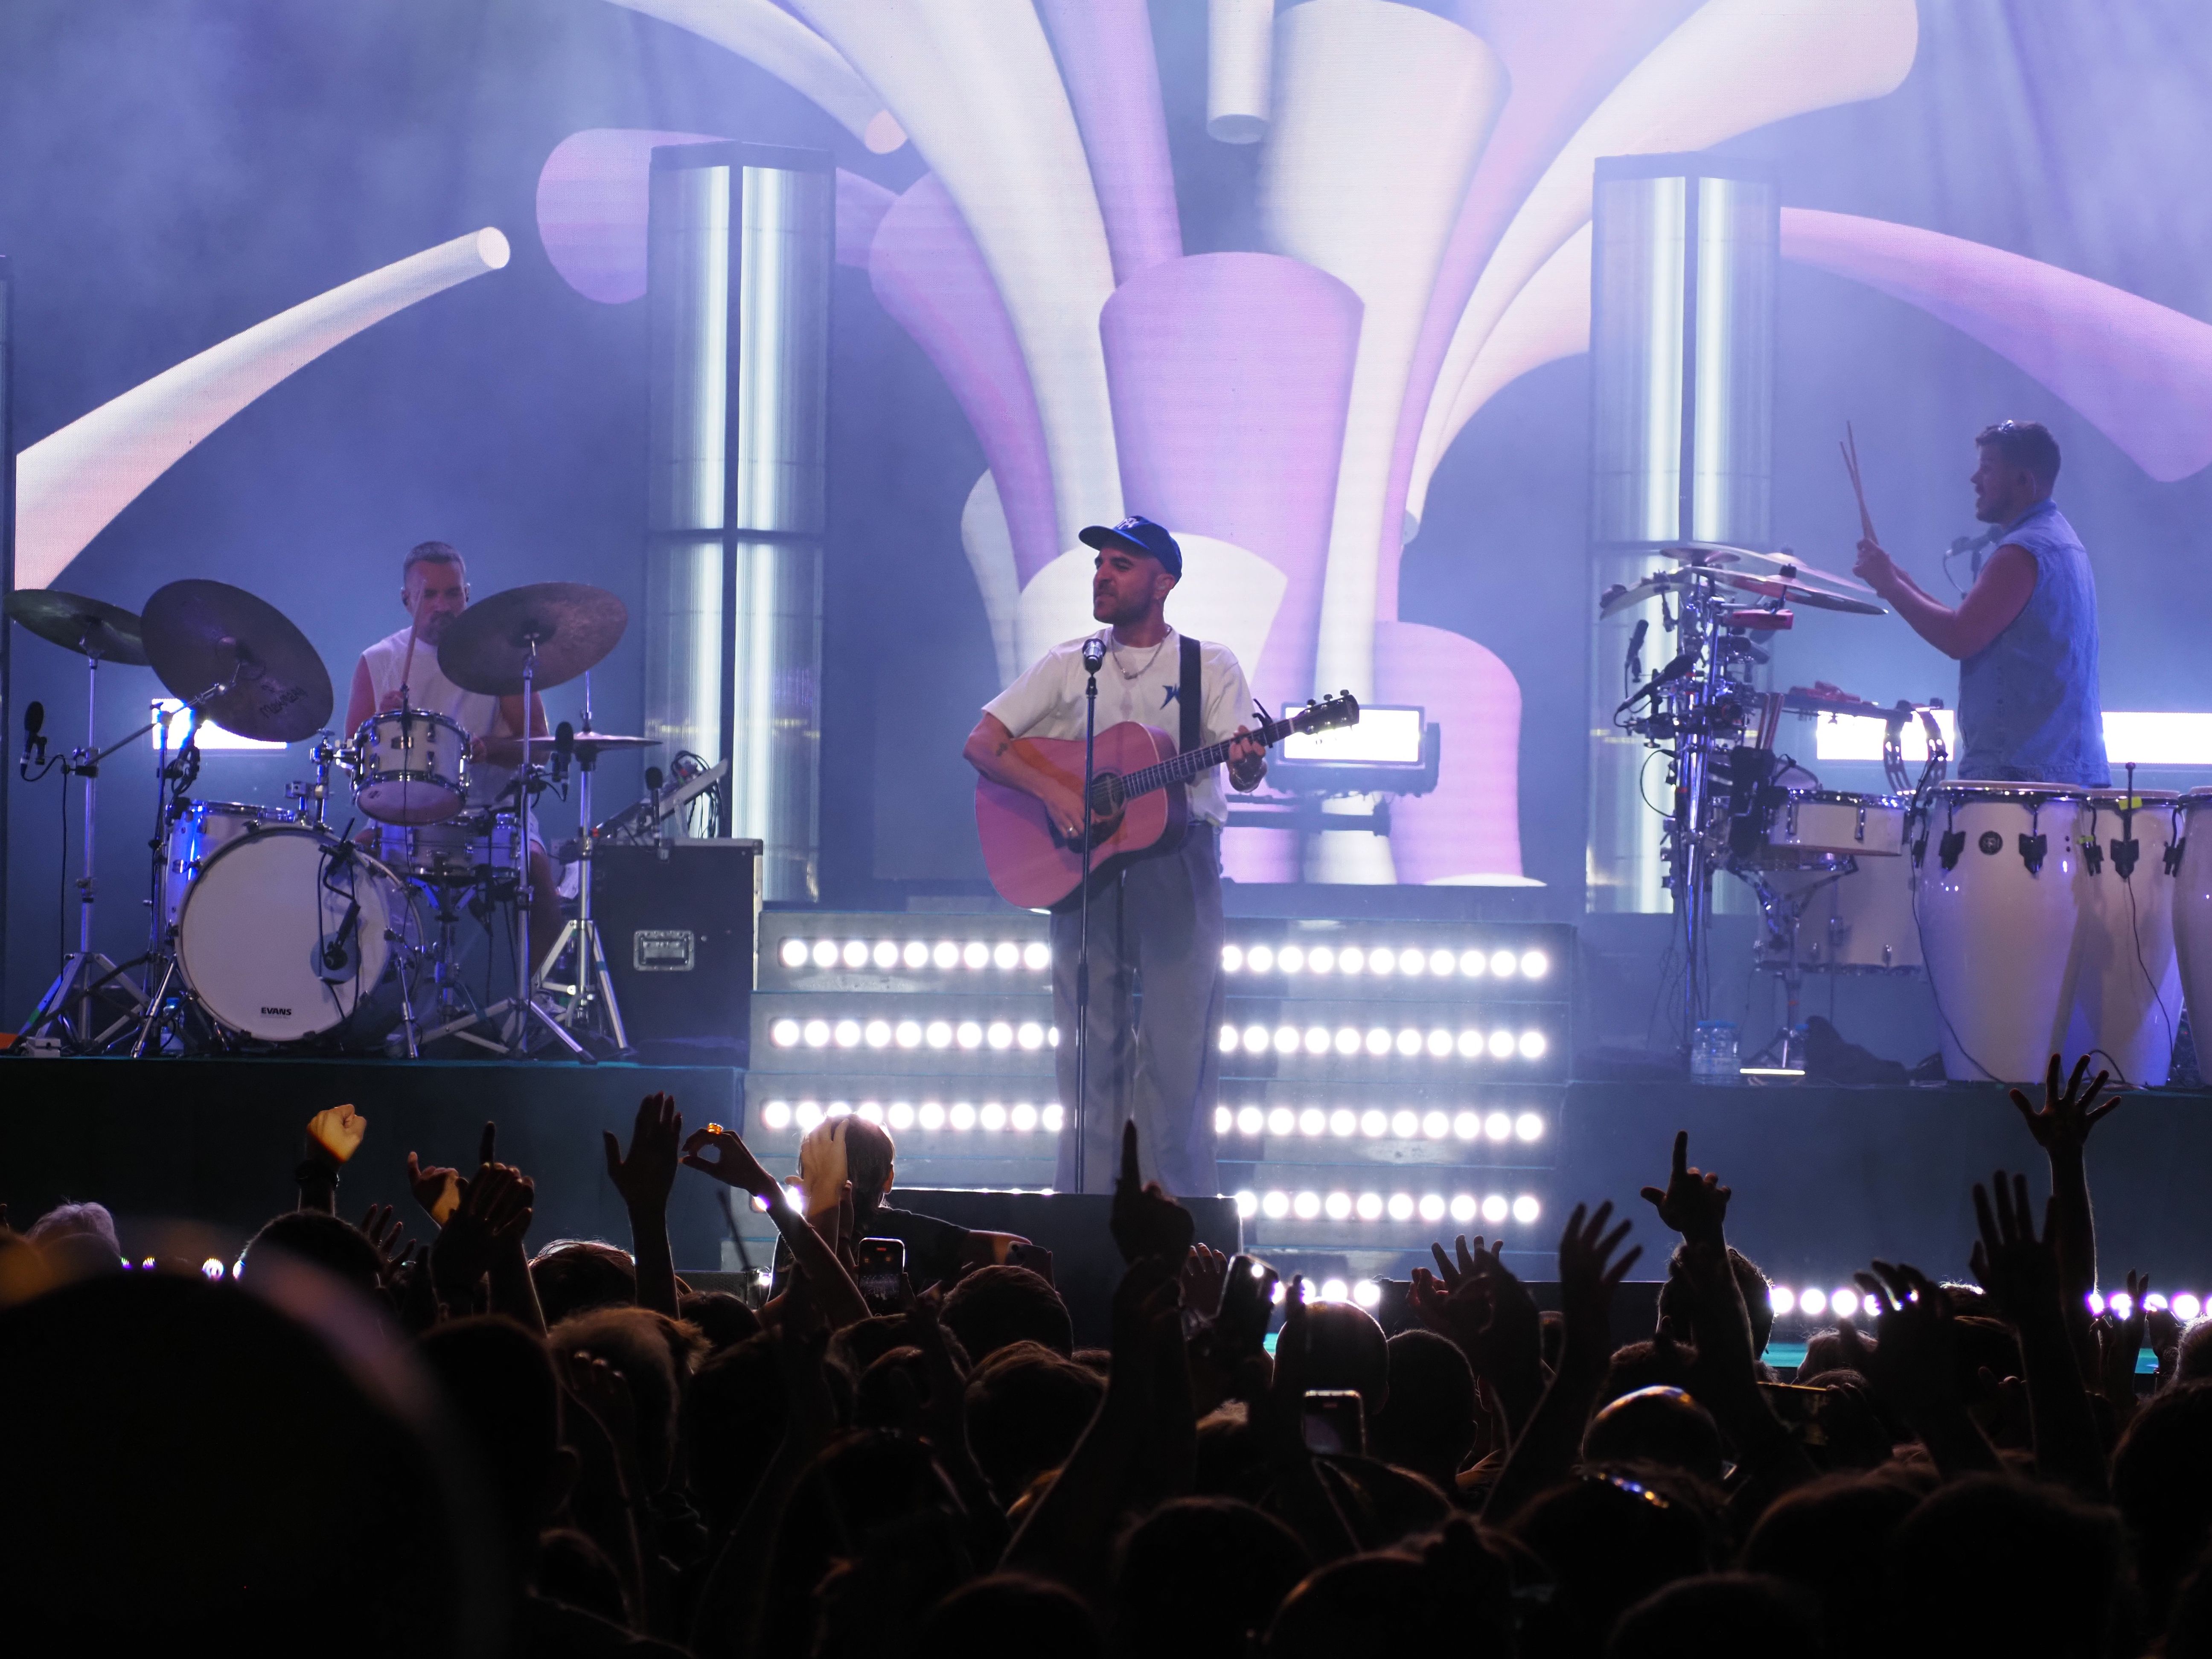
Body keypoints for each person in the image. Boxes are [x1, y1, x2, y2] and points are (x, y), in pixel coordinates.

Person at [961, 515, 1267, 1196]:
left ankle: (1175, 1223)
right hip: (1080, 868)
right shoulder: (1071, 663)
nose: (1102, 574)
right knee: (1086, 1055)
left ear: (1165, 583)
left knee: (1177, 1056)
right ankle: (1083, 1215)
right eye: (1099, 564)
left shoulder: (1209, 665)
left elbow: (1240, 767)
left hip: (1177, 865)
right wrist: (1054, 791)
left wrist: (1246, 764)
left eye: (1121, 565)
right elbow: (983, 743)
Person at [1852, 421, 2109, 786]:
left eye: (1988, 468)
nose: (1975, 479)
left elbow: (1959, 637)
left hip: (2020, 777)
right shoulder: (2060, 540)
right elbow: (1968, 622)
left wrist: (1892, 586)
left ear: (2024, 481)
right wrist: (1895, 577)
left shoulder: (2021, 552)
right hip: (2060, 769)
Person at [343, 540, 565, 958]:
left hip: (493, 815)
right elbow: (353, 759)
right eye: (429, 595)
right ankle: (376, 1001)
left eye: (452, 593)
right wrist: (381, 726)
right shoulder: (377, 661)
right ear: (407, 600)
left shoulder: (503, 659)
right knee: (349, 868)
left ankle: (538, 996)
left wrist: (492, 748)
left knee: (537, 868)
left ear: (468, 594)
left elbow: (538, 747)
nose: (442, 605)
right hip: (405, 818)